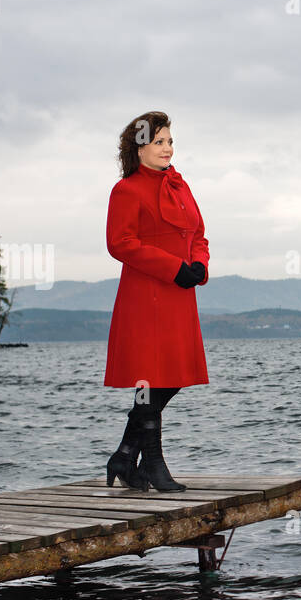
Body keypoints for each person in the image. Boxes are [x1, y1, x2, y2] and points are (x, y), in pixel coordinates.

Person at [103, 110, 210, 492]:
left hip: (179, 296)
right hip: (146, 296)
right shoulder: (126, 190)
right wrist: (173, 267)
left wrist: (198, 264)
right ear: (140, 147)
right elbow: (120, 244)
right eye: (159, 142)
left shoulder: (180, 186)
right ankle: (152, 464)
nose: (168, 148)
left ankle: (125, 454)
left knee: (173, 377)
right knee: (151, 380)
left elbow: (198, 233)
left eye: (169, 141)